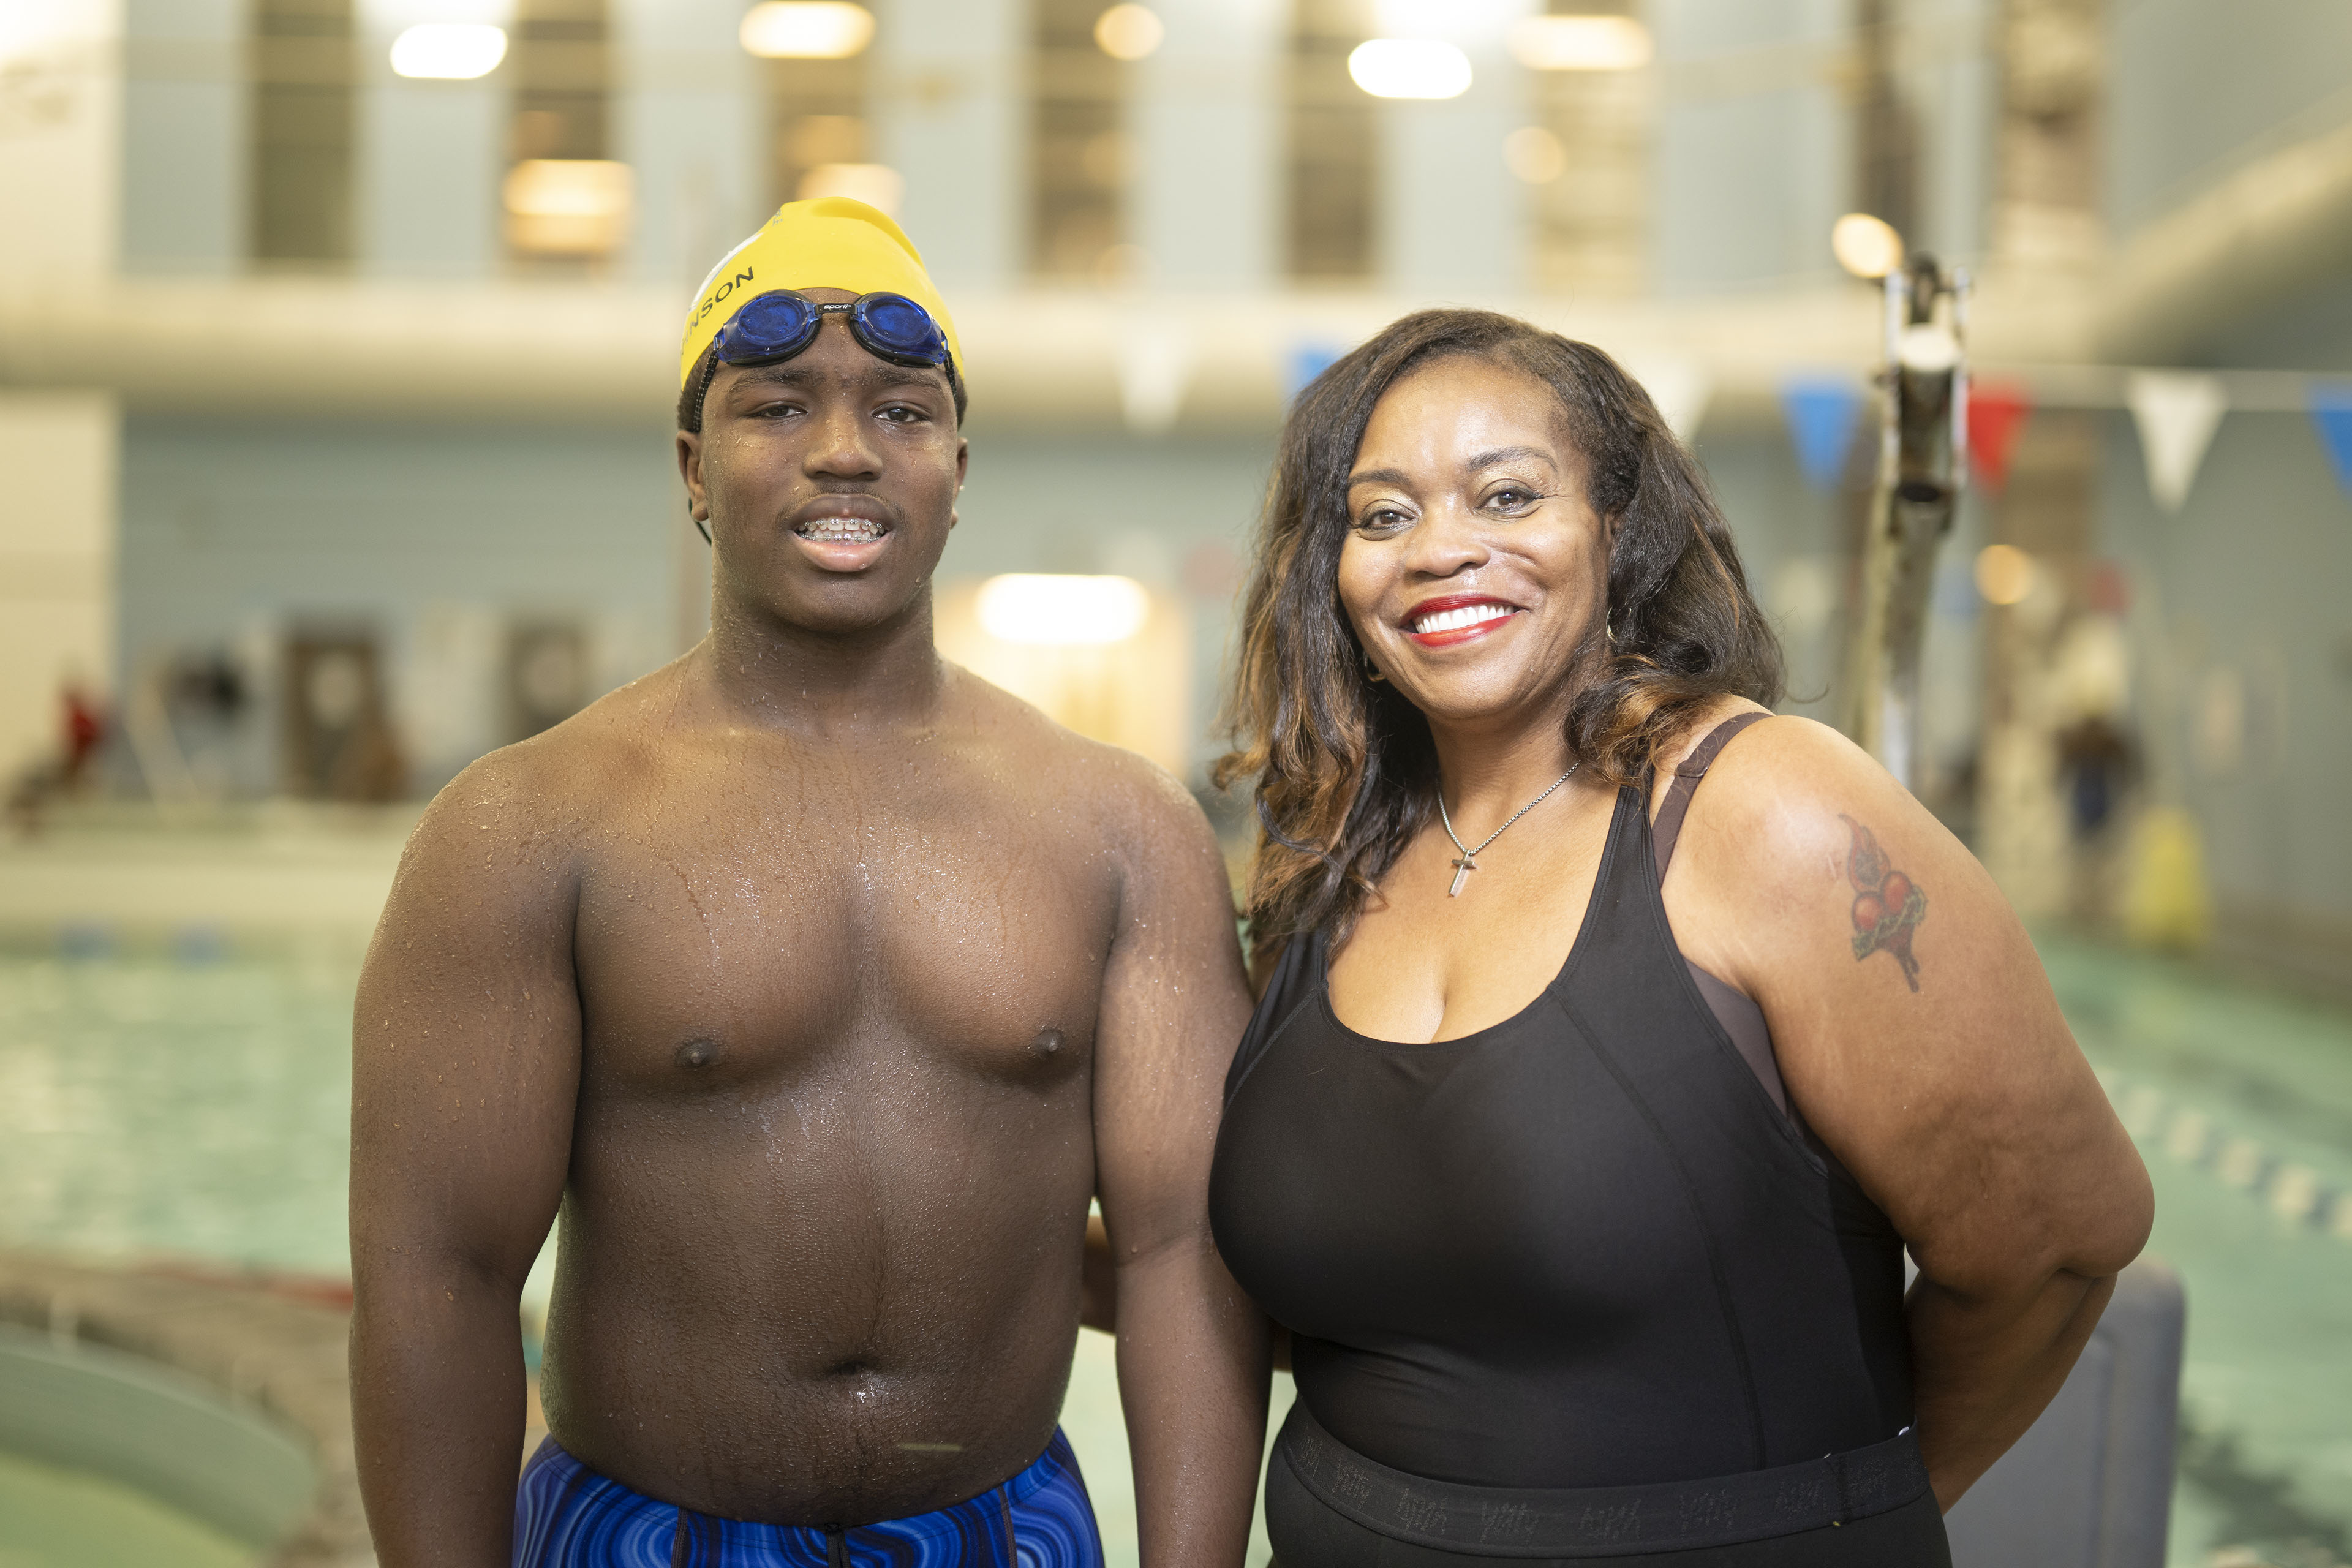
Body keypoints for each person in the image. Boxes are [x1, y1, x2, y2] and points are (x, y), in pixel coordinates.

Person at [349, 198, 1268, 1568]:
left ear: (958, 464)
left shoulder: (1127, 829)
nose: (844, 450)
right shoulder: (525, 826)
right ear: (693, 467)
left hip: (1009, 1529)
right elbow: (441, 1280)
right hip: (639, 1533)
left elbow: (1180, 1251)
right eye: (777, 408)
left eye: (902, 411)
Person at [1200, 309, 2154, 1566]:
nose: (1440, 549)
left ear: (1617, 529)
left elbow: (2061, 1238)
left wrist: (1845, 1507)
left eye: (1507, 494)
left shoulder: (1769, 815)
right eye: (1381, 515)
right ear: (1330, 571)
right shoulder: (1326, 855)